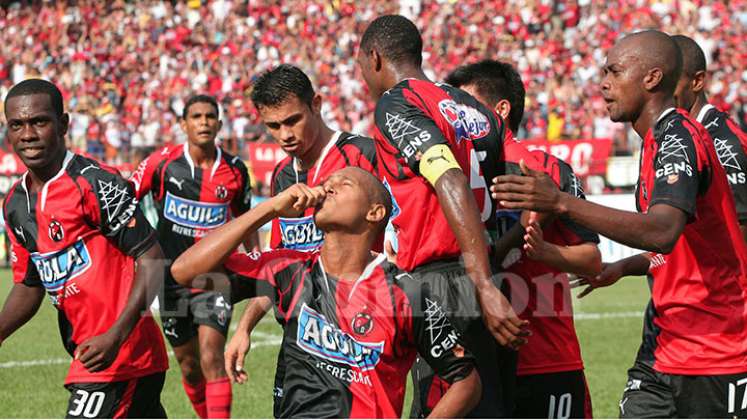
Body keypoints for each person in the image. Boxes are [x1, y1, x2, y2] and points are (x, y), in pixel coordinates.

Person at [492, 30, 747, 418]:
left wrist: (561, 202)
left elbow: (663, 232)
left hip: (715, 349)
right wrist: (623, 267)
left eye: (614, 71)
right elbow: (689, 245)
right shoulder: (655, 141)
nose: (603, 83)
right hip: (666, 344)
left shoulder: (678, 134)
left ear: (652, 78)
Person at [171, 167, 482, 418]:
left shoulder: (406, 292)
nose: (326, 188)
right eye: (326, 182)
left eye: (343, 184)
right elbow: (185, 271)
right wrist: (269, 209)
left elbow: (466, 381)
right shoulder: (288, 269)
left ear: (374, 212)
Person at [357, 14, 531, 417]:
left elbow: (449, 177)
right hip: (483, 273)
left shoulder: (398, 102)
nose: (363, 74)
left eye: (361, 64)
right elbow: (504, 189)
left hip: (444, 284)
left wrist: (481, 284)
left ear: (375, 57)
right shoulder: (474, 107)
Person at [0, 79, 169, 418]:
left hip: (122, 355)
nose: (28, 134)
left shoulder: (95, 182)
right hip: (93, 353)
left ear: (63, 124)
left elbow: (152, 259)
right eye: (17, 125)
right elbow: (29, 284)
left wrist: (116, 335)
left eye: (39, 121)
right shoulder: (15, 204)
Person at [446, 59, 599, 418]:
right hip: (472, 365)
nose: (455, 117)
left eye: (465, 106)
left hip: (545, 359)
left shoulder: (549, 171)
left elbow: (591, 260)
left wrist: (543, 251)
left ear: (501, 110)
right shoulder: (450, 172)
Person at [223, 64, 378, 414]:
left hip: (356, 345)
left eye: (292, 120)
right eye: (273, 126)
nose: (285, 135)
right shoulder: (282, 177)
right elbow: (279, 264)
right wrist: (244, 328)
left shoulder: (362, 156)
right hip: (298, 343)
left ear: (317, 105)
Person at [131, 94, 255, 418]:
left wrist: (257, 258)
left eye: (210, 116)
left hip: (215, 280)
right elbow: (126, 199)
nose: (204, 122)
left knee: (212, 357)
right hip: (170, 279)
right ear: (183, 124)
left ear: (219, 124)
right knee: (189, 366)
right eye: (196, 116)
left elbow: (247, 220)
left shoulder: (236, 171)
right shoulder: (161, 163)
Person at [672, 34, 747, 243]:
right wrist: (624, 266)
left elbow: (738, 240)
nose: (661, 93)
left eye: (672, 82)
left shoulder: (723, 143)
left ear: (696, 81)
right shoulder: (675, 134)